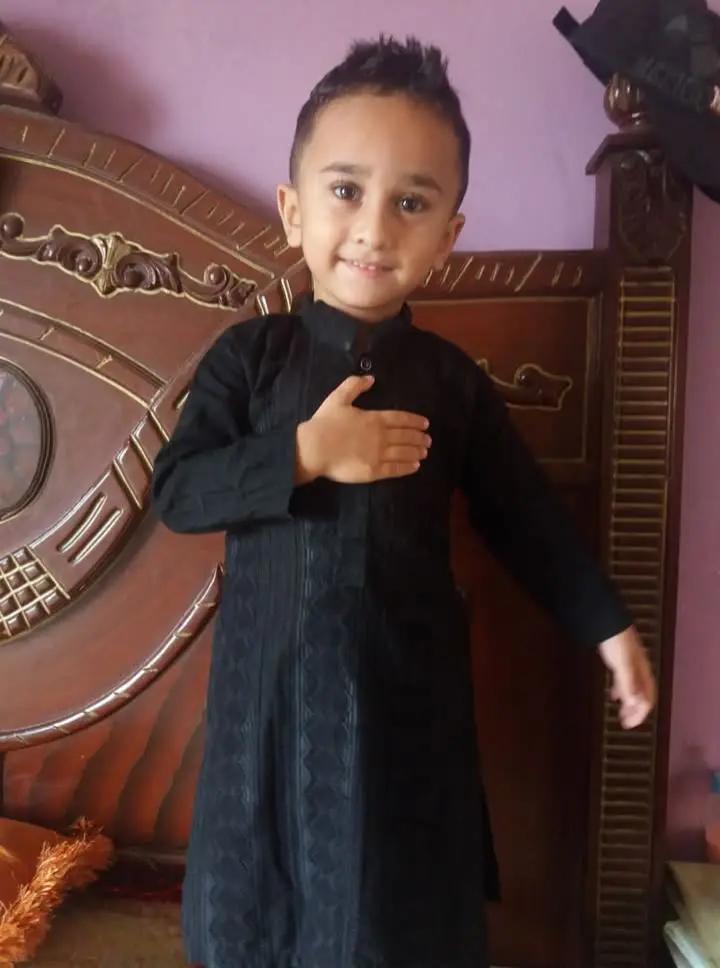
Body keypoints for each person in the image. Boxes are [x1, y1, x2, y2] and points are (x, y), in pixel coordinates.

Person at [152, 35, 656, 968]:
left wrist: (610, 627)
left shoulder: (452, 382)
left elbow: (527, 520)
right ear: (294, 210)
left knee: (399, 916)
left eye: (411, 203)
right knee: (251, 918)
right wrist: (303, 454)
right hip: (268, 712)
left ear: (448, 235)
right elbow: (178, 492)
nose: (375, 228)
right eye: (346, 190)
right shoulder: (249, 359)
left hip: (404, 710)